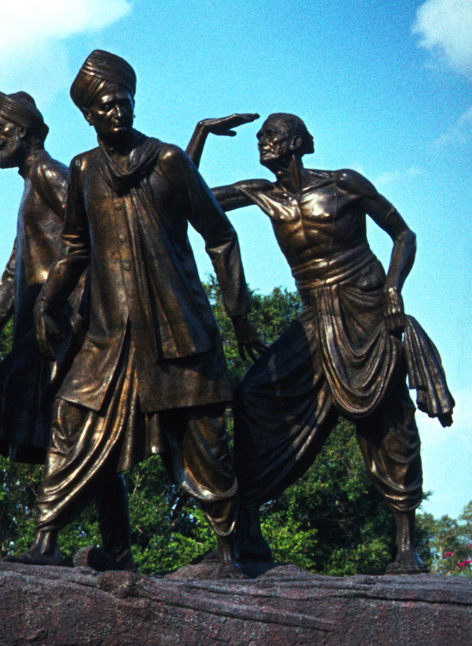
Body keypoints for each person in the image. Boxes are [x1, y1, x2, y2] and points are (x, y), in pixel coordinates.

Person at [9, 50, 261, 574]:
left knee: (202, 436)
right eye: (105, 105)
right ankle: (46, 540)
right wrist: (49, 301)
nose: (117, 112)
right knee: (71, 418)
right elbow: (76, 246)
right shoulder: (82, 169)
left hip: (178, 328)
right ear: (89, 115)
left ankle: (228, 552)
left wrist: (238, 313)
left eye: (122, 102)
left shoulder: (169, 161)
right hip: (111, 336)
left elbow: (220, 235)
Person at [189, 112, 455, 573]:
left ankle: (406, 545)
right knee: (254, 396)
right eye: (260, 137)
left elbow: (403, 234)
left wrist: (394, 289)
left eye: (270, 135)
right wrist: (200, 135)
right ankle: (246, 531)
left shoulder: (344, 183)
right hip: (315, 315)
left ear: (295, 142)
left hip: (366, 305)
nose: (262, 143)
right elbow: (185, 198)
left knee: (388, 424)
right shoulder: (262, 193)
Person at [0, 86, 132, 568]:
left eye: (0, 129)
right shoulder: (30, 187)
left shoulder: (50, 174)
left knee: (46, 427)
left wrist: (68, 310)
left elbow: (96, 235)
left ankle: (38, 544)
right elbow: (11, 274)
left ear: (24, 132)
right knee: (82, 440)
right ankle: (121, 552)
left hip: (60, 331)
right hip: (39, 333)